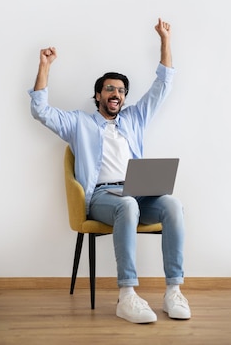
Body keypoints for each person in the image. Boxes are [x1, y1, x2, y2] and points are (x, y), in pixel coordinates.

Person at [29, 18, 190, 324]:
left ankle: (173, 291)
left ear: (124, 98)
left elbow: (163, 85)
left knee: (172, 204)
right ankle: (127, 296)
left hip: (138, 192)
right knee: (127, 204)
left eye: (120, 90)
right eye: (109, 89)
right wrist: (45, 67)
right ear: (98, 96)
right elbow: (40, 110)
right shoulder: (80, 123)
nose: (116, 94)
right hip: (103, 197)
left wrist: (165, 40)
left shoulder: (134, 119)